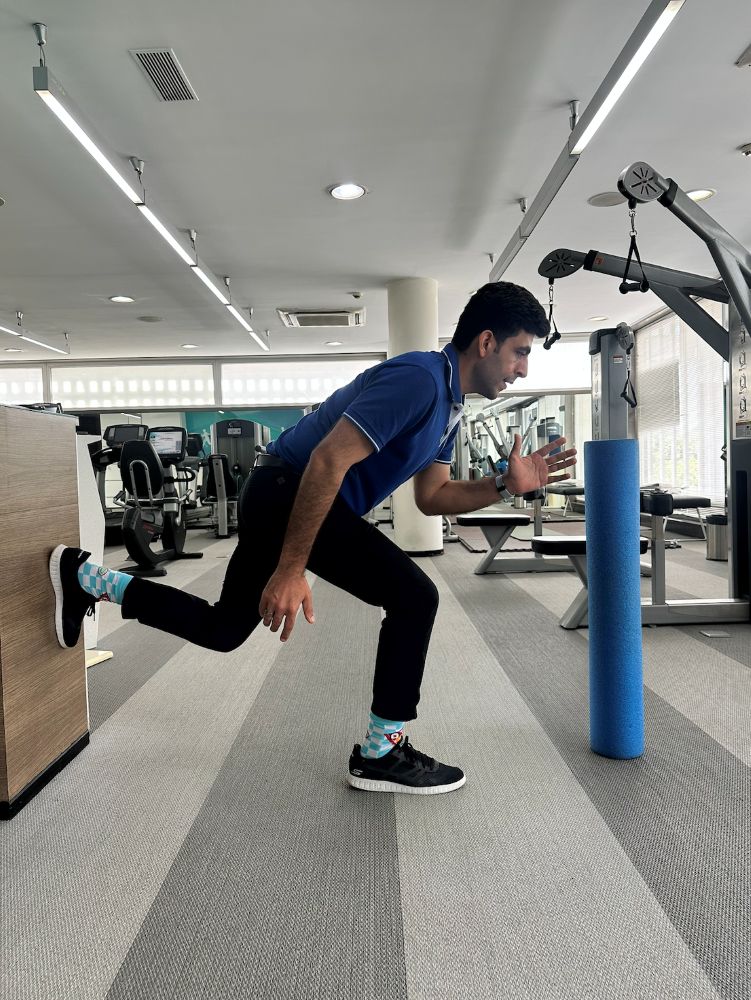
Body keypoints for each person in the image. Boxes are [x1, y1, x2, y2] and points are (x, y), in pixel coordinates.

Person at [49, 281, 576, 795]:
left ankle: (86, 577)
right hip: (290, 489)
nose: (522, 369)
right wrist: (290, 568)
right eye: (519, 352)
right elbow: (328, 459)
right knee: (415, 596)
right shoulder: (420, 379)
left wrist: (505, 484)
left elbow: (433, 497)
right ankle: (380, 752)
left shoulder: (450, 410)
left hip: (284, 492)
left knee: (224, 628)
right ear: (486, 342)